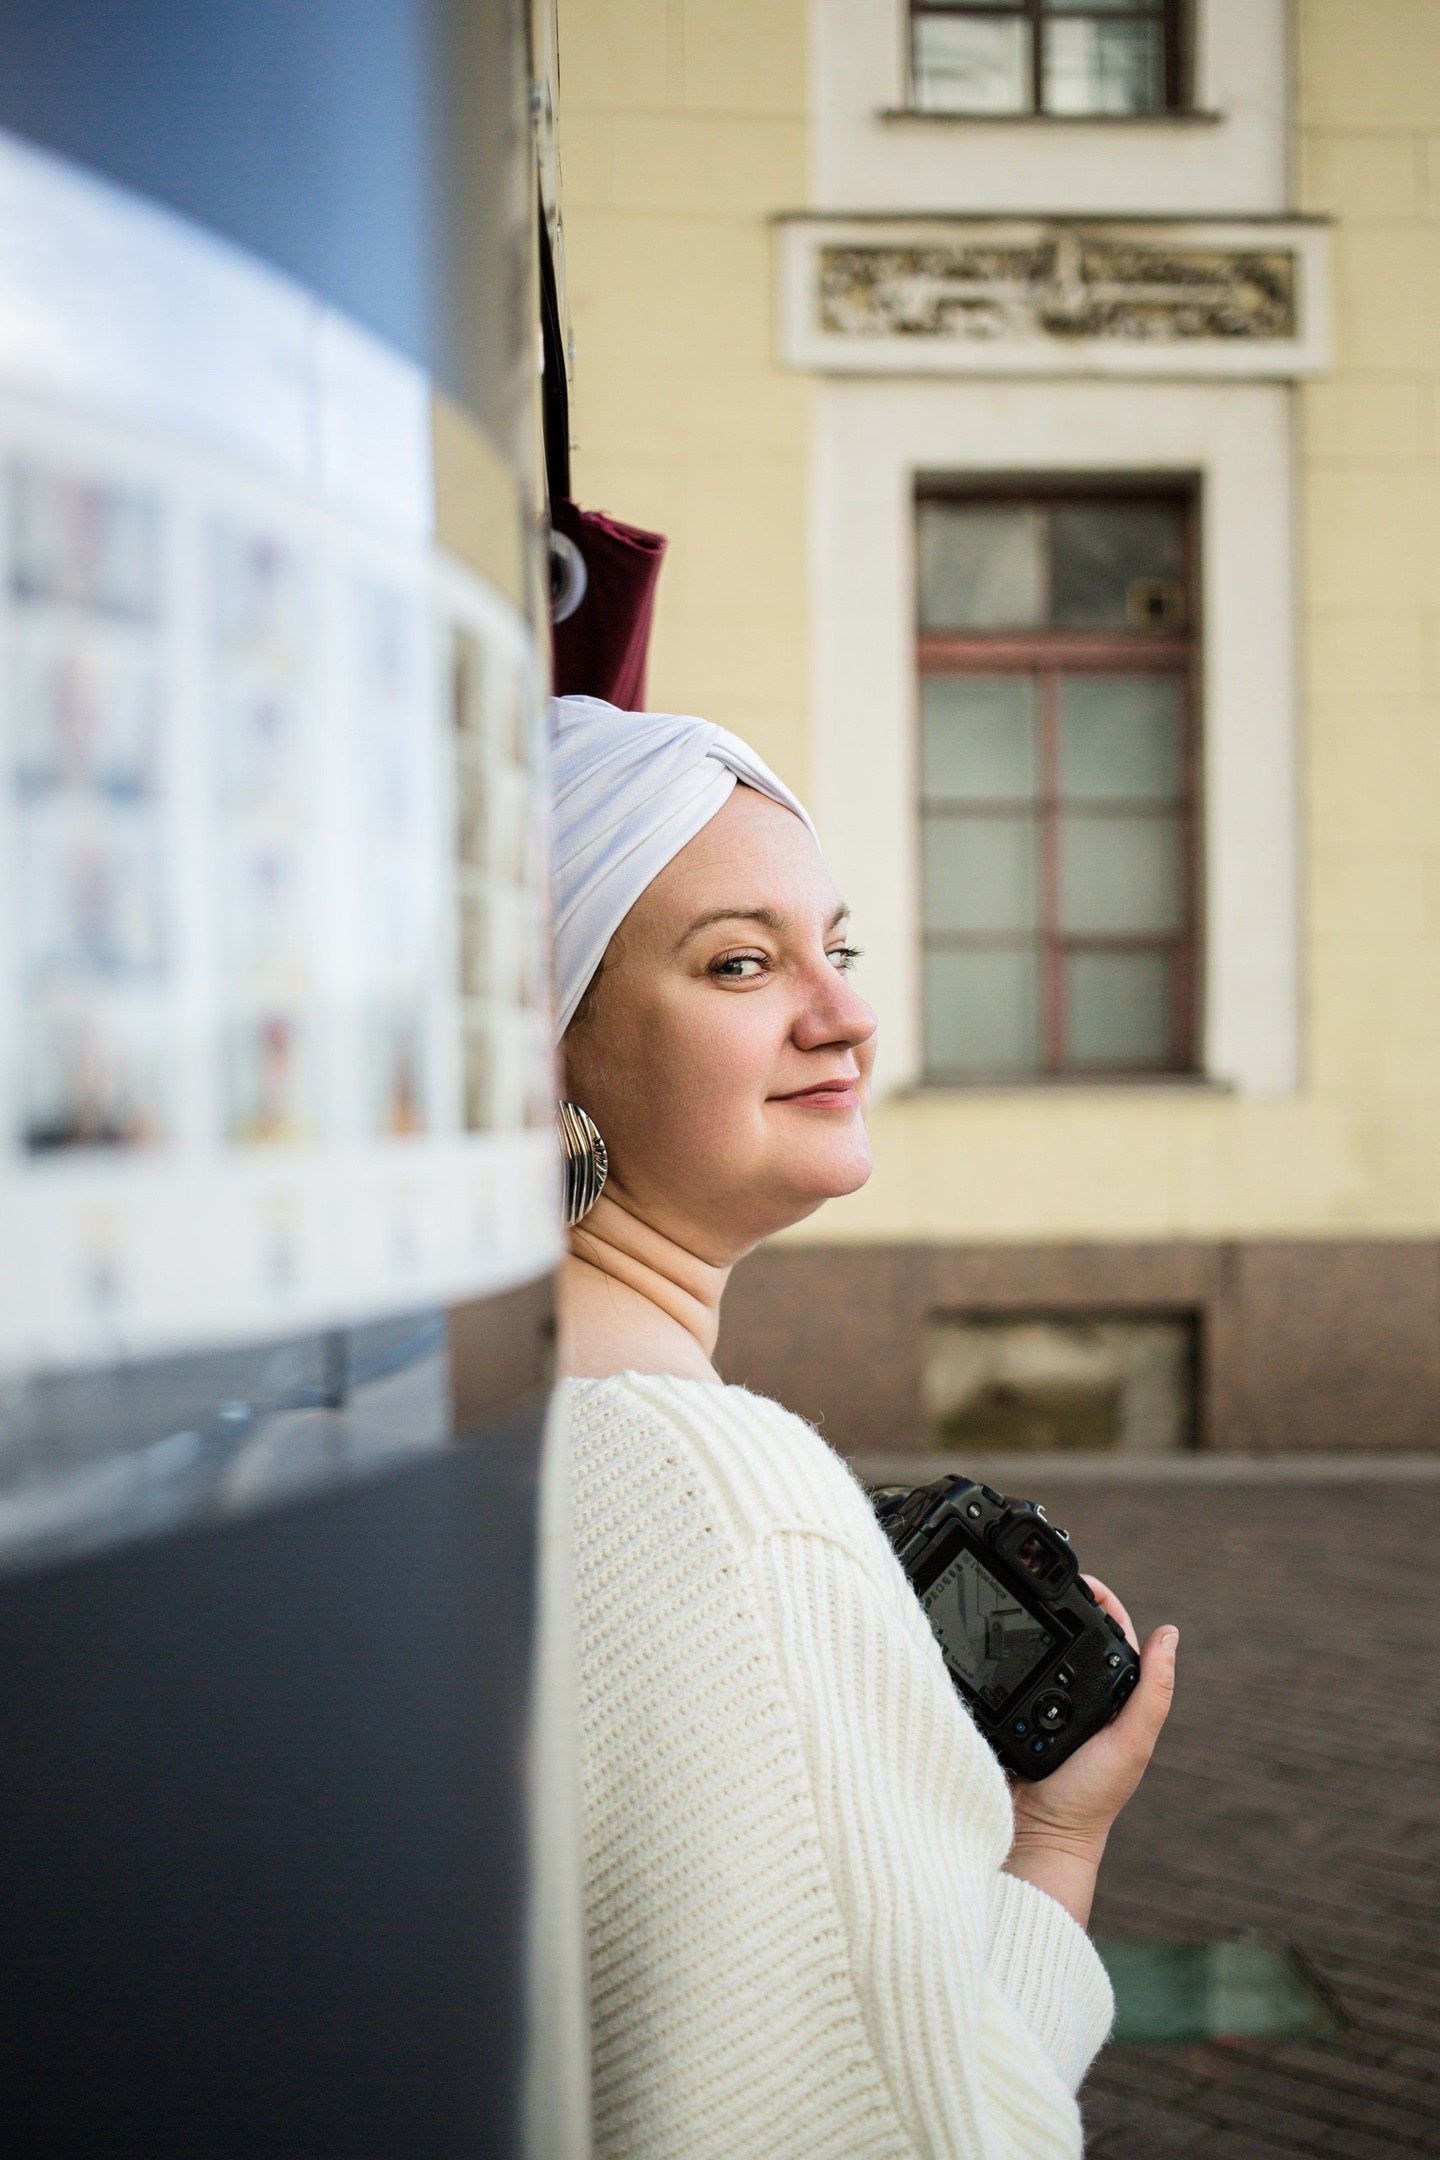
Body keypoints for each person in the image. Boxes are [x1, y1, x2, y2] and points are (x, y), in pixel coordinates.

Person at [551, 694, 1178, 2160]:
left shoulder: (450, 1397)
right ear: (550, 1049)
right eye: (740, 962)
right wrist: (1052, 1852)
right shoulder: (717, 1493)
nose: (844, 1016)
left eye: (836, 950)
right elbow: (923, 2135)